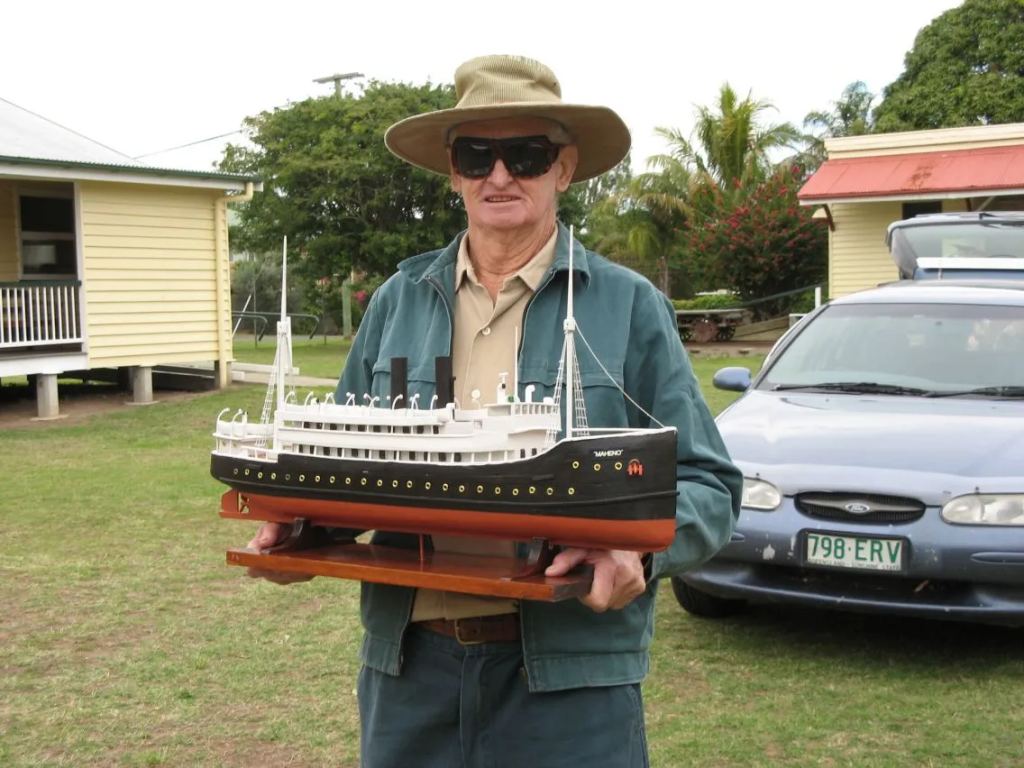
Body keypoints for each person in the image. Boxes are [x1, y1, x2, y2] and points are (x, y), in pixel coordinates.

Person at [249, 54, 742, 768]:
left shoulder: (629, 305)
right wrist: (296, 530)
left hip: (570, 682)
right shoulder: (397, 300)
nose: (500, 175)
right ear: (453, 171)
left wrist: (639, 547)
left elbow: (710, 486)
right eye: (478, 155)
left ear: (564, 169)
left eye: (527, 154)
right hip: (410, 671)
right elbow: (345, 467)